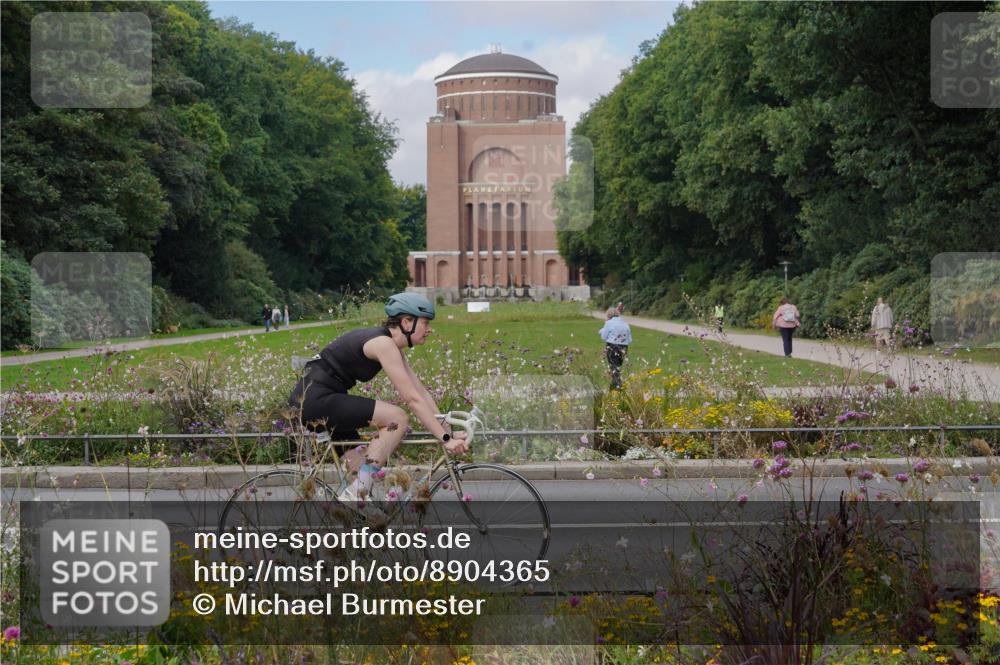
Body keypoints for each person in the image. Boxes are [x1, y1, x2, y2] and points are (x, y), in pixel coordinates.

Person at [288, 293, 469, 501]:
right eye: (426, 323)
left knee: (360, 471)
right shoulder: (383, 343)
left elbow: (421, 392)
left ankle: (353, 517)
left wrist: (448, 432)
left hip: (324, 399)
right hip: (314, 400)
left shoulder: (390, 346)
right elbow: (412, 400)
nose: (429, 329)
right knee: (397, 418)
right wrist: (444, 439)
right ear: (406, 322)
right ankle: (355, 496)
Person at [599, 306, 632, 390]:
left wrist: (603, 329)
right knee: (617, 368)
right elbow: (629, 340)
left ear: (608, 315)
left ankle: (618, 387)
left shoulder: (608, 323)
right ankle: (614, 387)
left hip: (612, 347)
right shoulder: (625, 324)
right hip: (624, 348)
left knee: (614, 369)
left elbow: (603, 337)